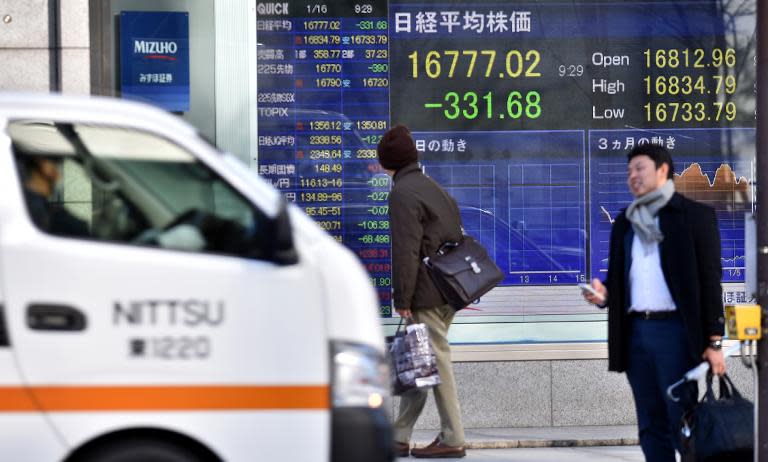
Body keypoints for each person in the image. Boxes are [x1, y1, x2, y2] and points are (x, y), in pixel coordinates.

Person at [581, 144, 725, 462]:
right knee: (649, 423)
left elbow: (710, 281)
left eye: (640, 168)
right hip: (636, 334)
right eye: (629, 170)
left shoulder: (694, 217)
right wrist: (604, 296)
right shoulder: (625, 223)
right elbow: (619, 282)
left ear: (662, 170)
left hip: (675, 332)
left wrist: (714, 340)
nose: (633, 176)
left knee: (681, 419)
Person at [377, 125, 466, 459]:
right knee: (418, 359)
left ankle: (454, 437)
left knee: (435, 362)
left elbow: (406, 250)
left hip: (426, 294)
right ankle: (399, 435)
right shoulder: (431, 187)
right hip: (447, 289)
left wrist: (402, 299)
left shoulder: (402, 193)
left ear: (387, 162)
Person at [18, 155, 89, 237]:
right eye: (55, 165)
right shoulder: (41, 211)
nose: (58, 176)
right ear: (43, 164)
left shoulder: (20, 205)